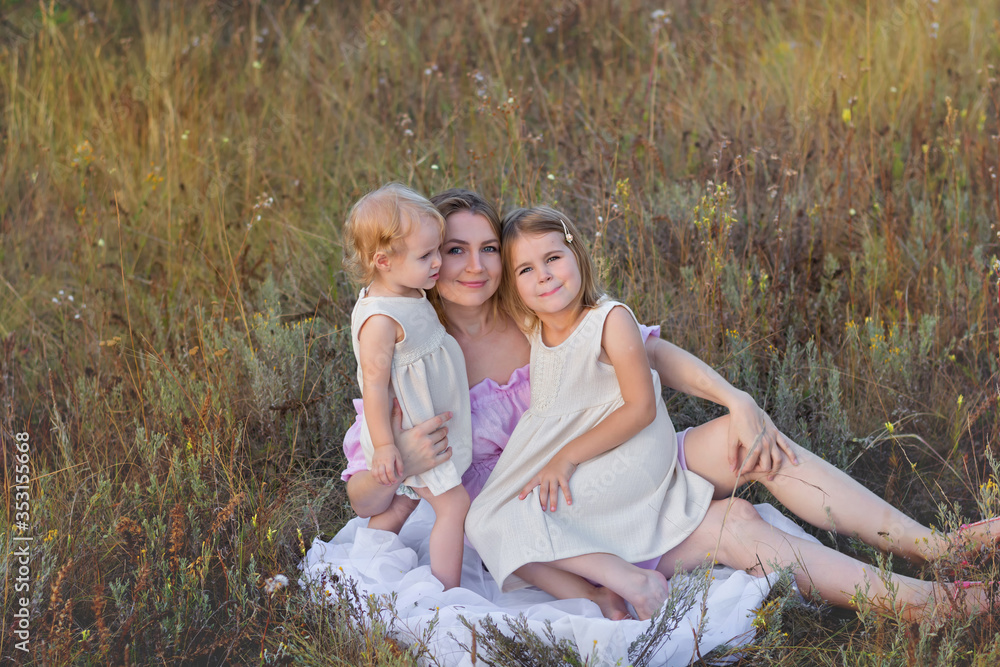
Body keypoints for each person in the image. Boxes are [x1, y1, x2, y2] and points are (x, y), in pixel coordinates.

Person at [342, 189, 998, 619]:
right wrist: (394, 454)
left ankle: (934, 545)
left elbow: (646, 350)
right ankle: (920, 604)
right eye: (454, 250)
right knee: (739, 524)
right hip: (568, 523)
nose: (474, 265)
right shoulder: (416, 361)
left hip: (627, 465)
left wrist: (734, 396)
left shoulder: (531, 314)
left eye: (489, 248)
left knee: (749, 443)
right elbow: (369, 499)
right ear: (422, 260)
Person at [343, 183, 472, 589]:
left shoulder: (408, 290)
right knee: (454, 505)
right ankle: (447, 593)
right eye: (425, 255)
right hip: (409, 430)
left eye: (439, 250)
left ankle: (367, 566)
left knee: (401, 505)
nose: (437, 262)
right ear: (383, 261)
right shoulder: (380, 320)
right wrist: (385, 446)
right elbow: (375, 389)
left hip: (424, 418)